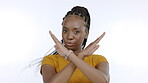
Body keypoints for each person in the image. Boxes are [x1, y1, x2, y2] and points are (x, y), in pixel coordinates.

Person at [40, 6, 110, 83]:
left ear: (86, 33)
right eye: (65, 31)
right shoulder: (50, 60)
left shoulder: (98, 60)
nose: (69, 36)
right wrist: (79, 56)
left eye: (76, 32)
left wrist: (71, 56)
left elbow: (103, 81)